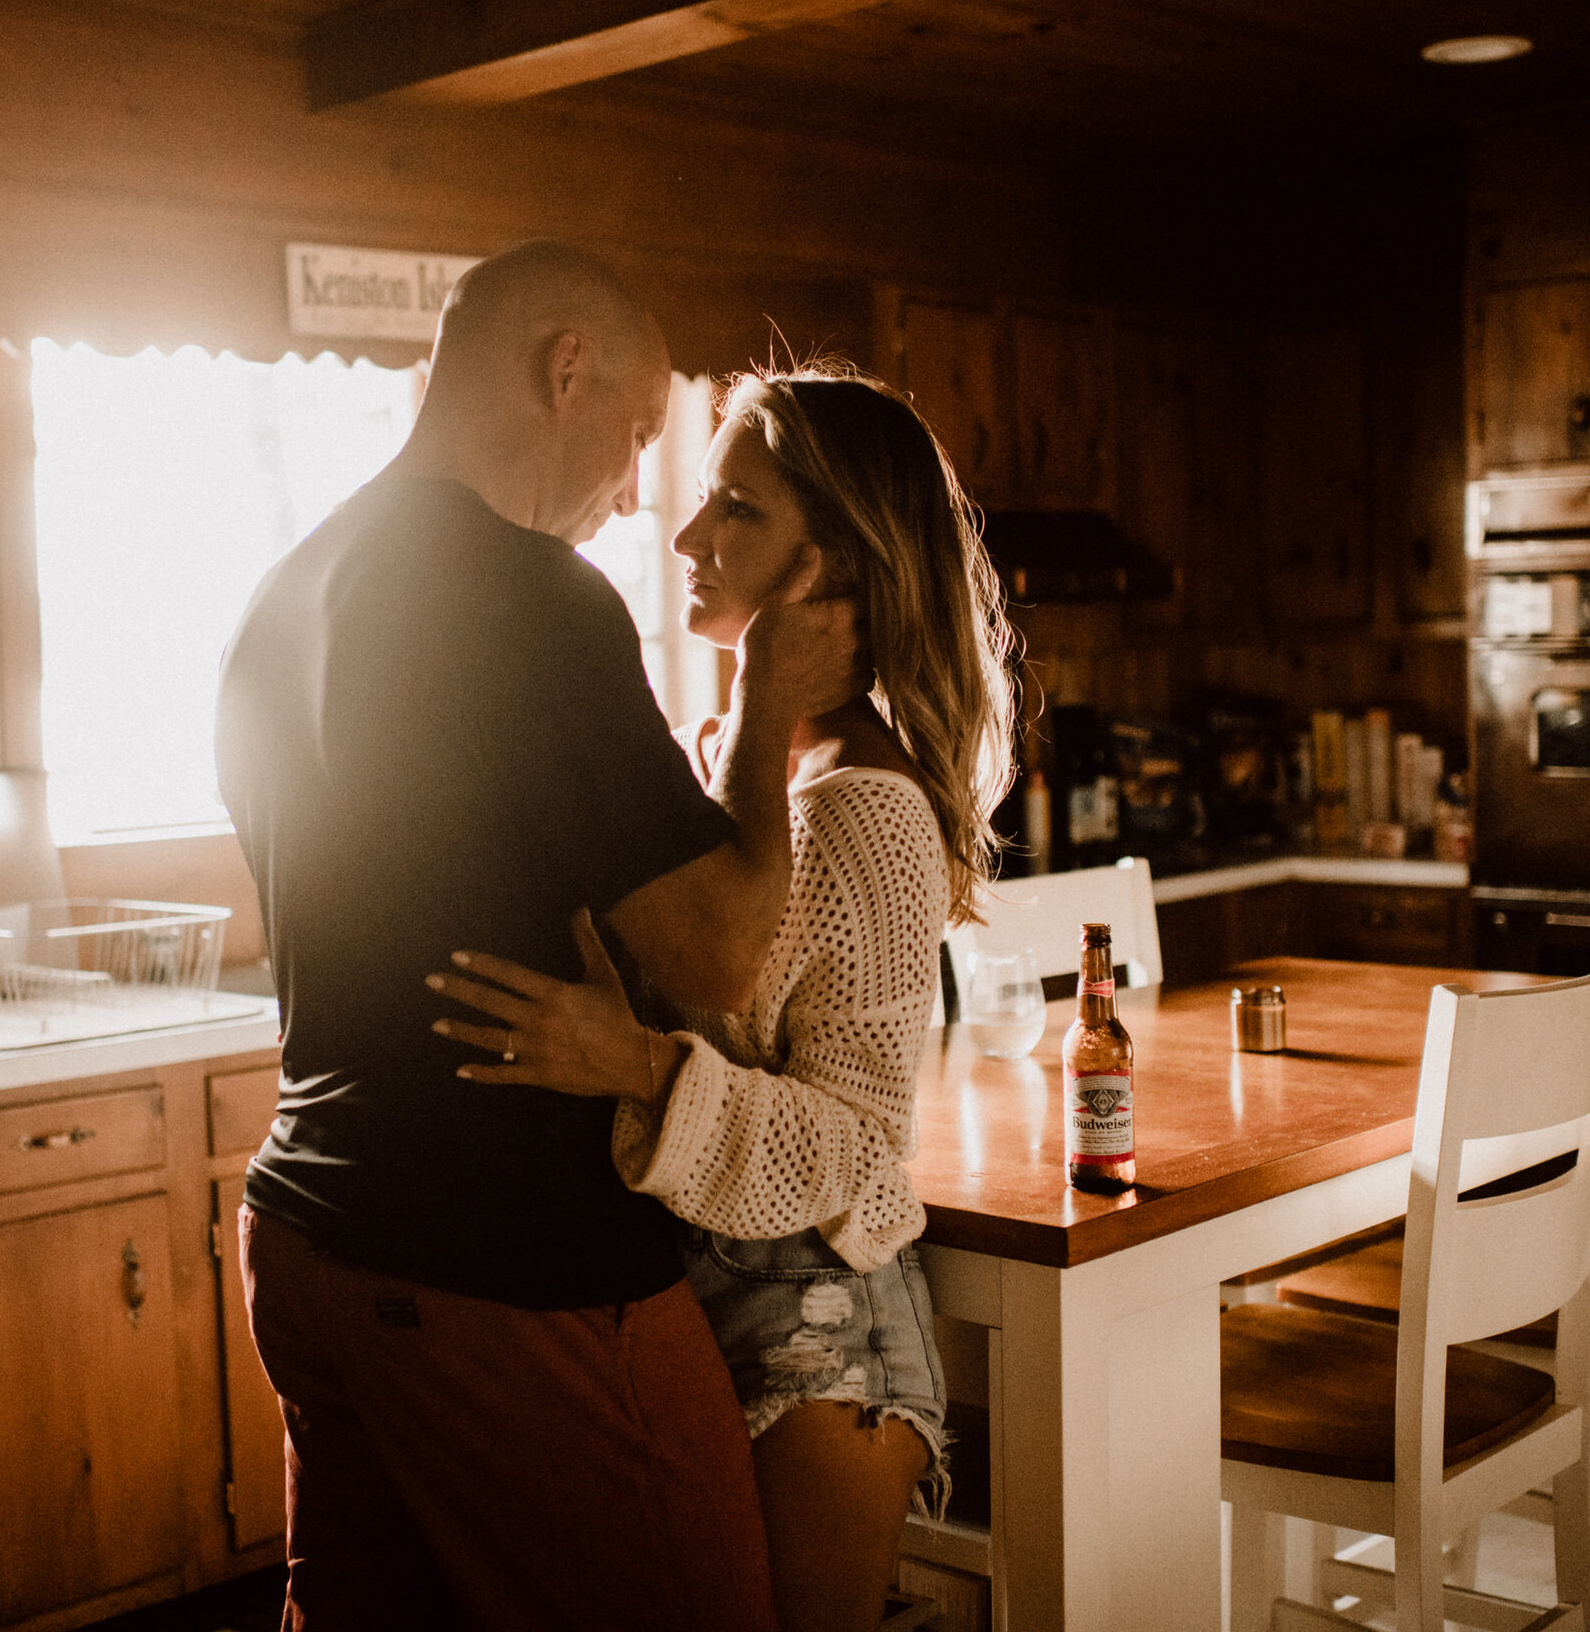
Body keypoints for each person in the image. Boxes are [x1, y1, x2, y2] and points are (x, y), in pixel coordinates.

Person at [215, 243, 858, 1632]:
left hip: (307, 1238)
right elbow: (718, 953)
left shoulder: (284, 591)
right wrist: (764, 712)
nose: (634, 493)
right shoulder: (526, 596)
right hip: (498, 1258)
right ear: (565, 369)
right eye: (636, 439)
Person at [428, 364, 1017, 1632]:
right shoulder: (734, 768)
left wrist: (635, 1067)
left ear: (837, 566)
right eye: (703, 501)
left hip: (820, 1343)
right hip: (694, 1309)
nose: (688, 537)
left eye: (738, 510)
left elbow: (860, 1153)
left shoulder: (863, 809)